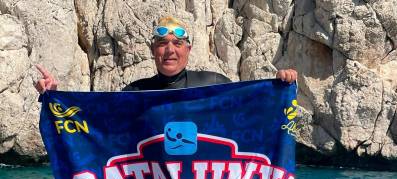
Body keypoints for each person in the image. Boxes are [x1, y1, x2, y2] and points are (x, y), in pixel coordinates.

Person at [35, 16, 297, 93]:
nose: (169, 50)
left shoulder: (215, 85)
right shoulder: (134, 94)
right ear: (153, 50)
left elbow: (252, 115)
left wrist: (281, 86)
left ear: (188, 50)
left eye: (177, 43)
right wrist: (55, 97)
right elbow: (96, 131)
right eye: (162, 43)